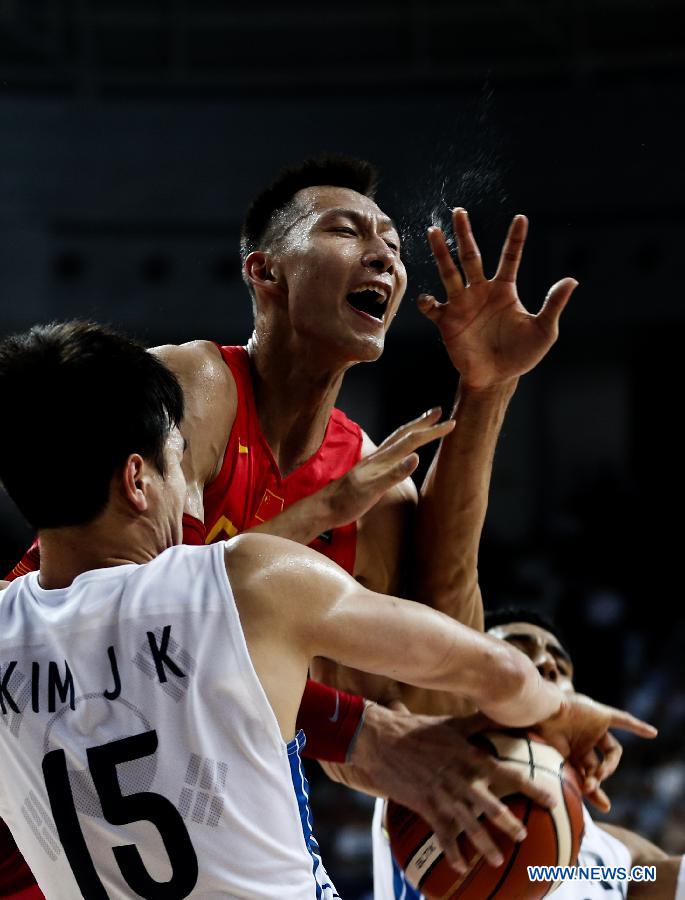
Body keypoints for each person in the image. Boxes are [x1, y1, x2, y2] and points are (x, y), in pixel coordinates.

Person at [3, 155, 579, 886]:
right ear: (264, 271)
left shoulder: (371, 476)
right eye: (345, 230)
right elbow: (130, 622)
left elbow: (435, 689)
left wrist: (485, 391)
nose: (383, 255)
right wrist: (352, 726)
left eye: (394, 246)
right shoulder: (192, 388)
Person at [0, 321, 655, 899]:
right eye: (180, 467)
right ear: (138, 480)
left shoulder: (6, 632)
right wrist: (559, 709)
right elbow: (491, 672)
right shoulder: (251, 583)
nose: (187, 500)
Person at [373, 607, 680, 900]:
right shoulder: (425, 769)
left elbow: (660, 879)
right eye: (517, 655)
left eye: (560, 669)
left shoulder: (616, 857)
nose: (546, 663)